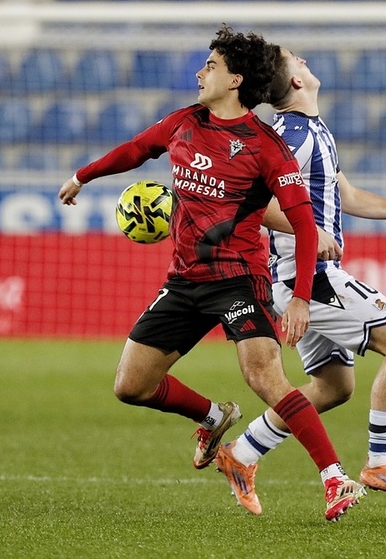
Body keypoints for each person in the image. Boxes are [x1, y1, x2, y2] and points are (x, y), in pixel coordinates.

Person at [57, 28, 365, 522]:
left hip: (239, 280)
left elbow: (306, 227)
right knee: (130, 386)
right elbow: (136, 149)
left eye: (211, 66)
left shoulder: (267, 147)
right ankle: (213, 416)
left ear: (235, 80)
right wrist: (83, 176)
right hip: (184, 281)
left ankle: (334, 478)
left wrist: (301, 299)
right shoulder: (183, 123)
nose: (200, 73)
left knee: (263, 376)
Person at [213, 46, 386, 515]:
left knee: (333, 385)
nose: (304, 60)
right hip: (308, 277)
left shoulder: (312, 130)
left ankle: (242, 453)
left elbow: (348, 194)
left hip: (304, 277)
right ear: (296, 81)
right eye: (296, 59)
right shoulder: (289, 137)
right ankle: (383, 462)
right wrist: (307, 229)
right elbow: (244, 201)